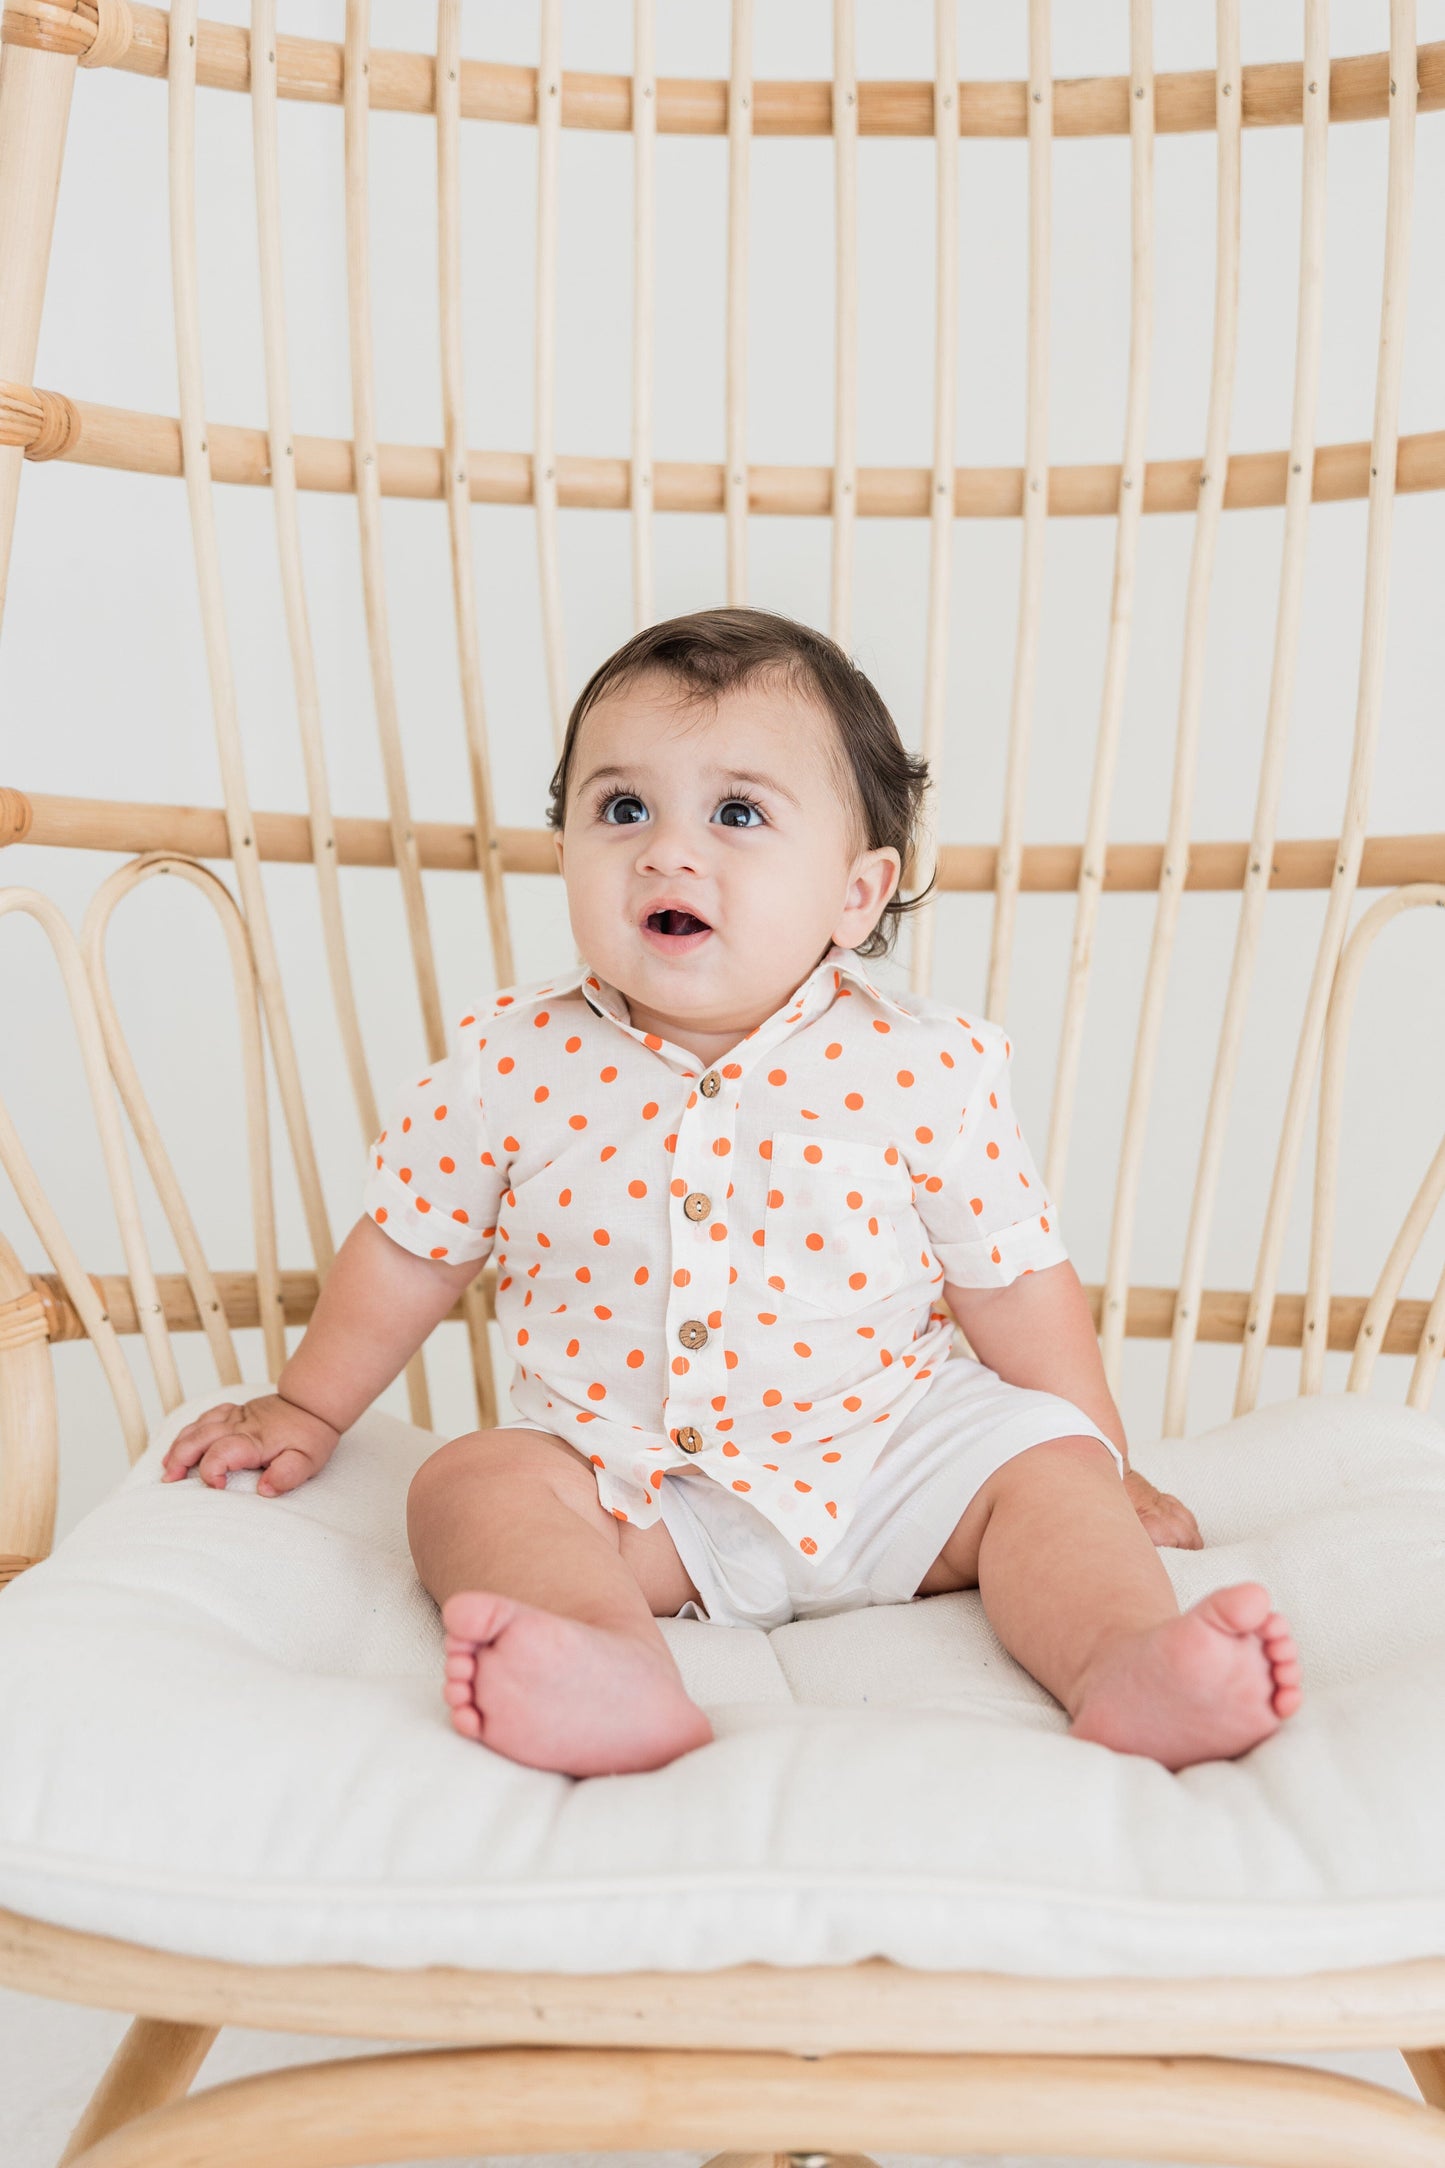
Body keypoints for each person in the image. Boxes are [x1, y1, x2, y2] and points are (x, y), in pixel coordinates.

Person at [162, 607, 1302, 1779]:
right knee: (471, 1484)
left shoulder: (924, 1066)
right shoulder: (509, 1063)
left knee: (1047, 1471)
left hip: (896, 1463)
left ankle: (1125, 1659)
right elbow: (410, 1248)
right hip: (639, 1491)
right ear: (563, 849)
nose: (665, 852)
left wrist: (1105, 1463)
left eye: (737, 814)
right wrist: (305, 1405)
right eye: (621, 808)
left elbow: (1010, 1282)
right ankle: (601, 1659)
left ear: (855, 893)